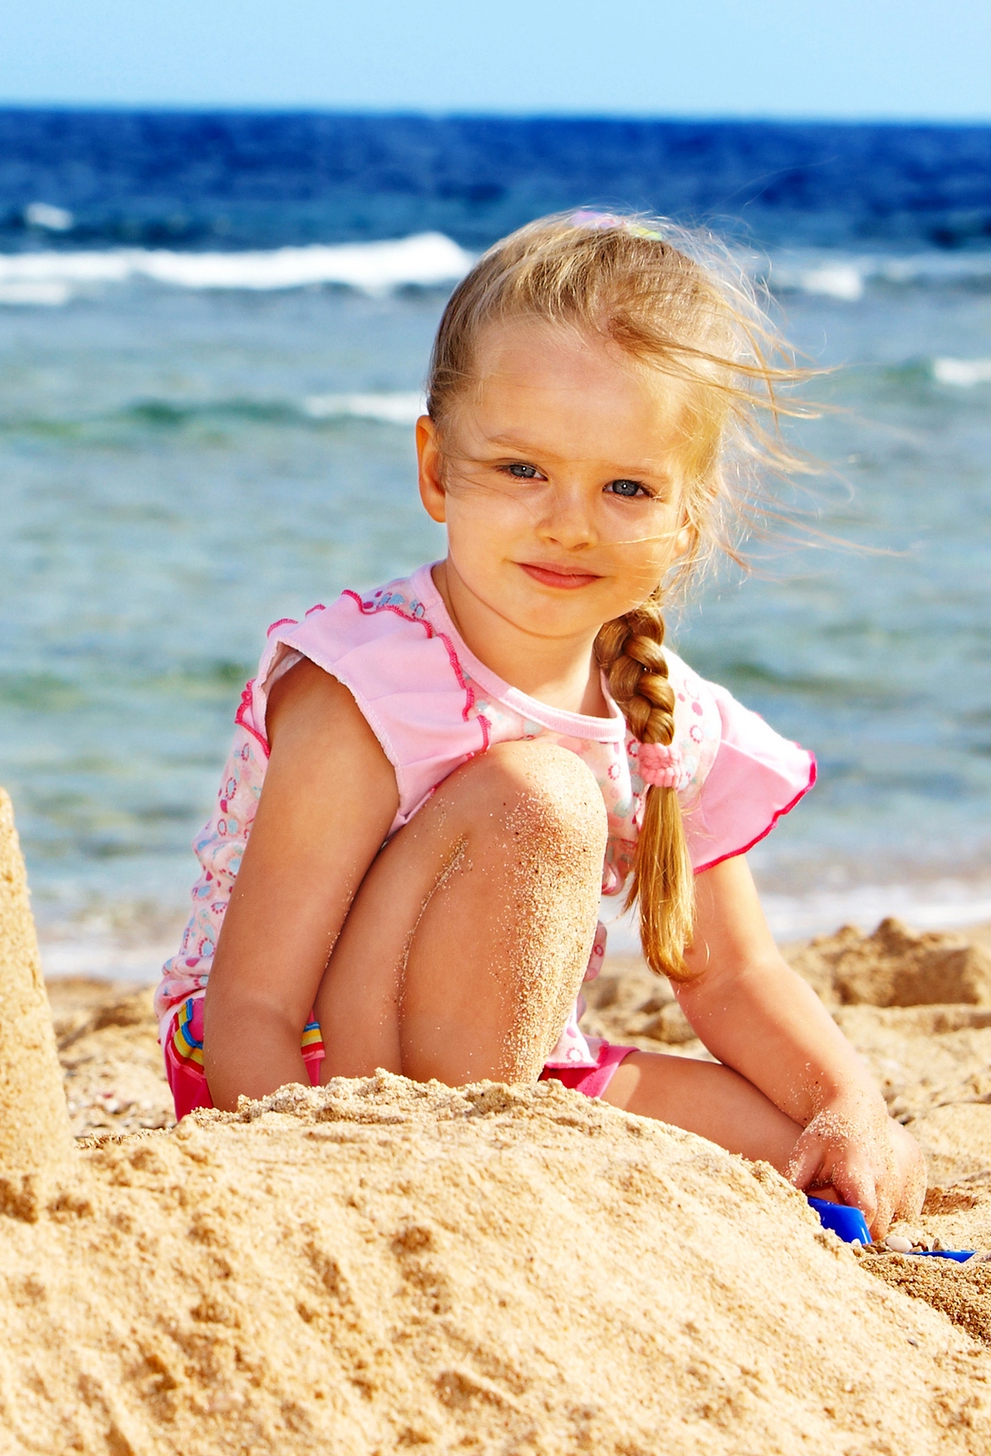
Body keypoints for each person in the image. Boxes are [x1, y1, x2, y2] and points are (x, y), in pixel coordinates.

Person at [157, 209, 925, 1228]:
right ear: (435, 468)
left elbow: (731, 969)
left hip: (513, 1068)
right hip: (304, 1074)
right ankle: (457, 1180)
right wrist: (314, 1196)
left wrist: (849, 1104)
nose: (569, 521)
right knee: (541, 798)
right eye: (522, 469)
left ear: (687, 514)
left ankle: (504, 1149)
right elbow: (252, 1004)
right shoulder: (369, 685)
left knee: (808, 1162)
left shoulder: (661, 715)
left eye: (626, 486)